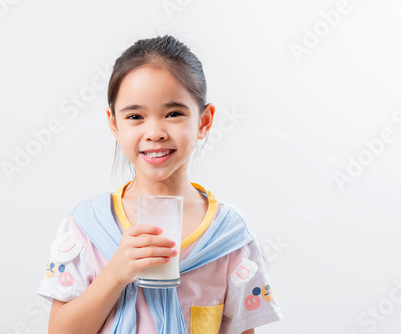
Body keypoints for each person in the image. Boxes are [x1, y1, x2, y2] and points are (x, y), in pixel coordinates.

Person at [37, 34, 283, 334]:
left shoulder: (229, 237)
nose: (155, 132)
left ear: (204, 122)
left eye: (174, 113)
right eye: (135, 116)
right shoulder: (87, 226)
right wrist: (114, 274)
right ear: (114, 124)